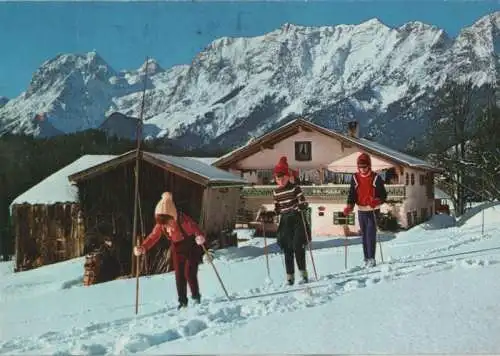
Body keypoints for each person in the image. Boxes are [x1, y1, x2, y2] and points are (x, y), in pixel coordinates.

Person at [133, 192, 207, 309]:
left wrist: (199, 236)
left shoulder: (183, 221)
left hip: (191, 247)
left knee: (189, 273)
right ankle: (182, 301)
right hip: (177, 249)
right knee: (179, 275)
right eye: (162, 223)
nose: (165, 226)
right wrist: (143, 247)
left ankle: (196, 296)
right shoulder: (161, 225)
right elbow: (153, 237)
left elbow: (195, 228)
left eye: (167, 222)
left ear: (173, 216)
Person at [343, 153, 387, 267]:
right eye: (360, 167)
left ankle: (371, 258)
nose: (362, 169)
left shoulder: (376, 178)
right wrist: (349, 206)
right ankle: (366, 258)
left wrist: (376, 201)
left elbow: (383, 195)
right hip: (361, 209)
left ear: (369, 166)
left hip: (373, 209)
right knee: (364, 235)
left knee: (370, 234)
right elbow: (352, 194)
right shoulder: (355, 178)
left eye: (365, 166)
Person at [272, 156, 310, 285]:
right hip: (285, 221)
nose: (280, 180)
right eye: (278, 178)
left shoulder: (295, 188)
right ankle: (290, 277)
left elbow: (303, 201)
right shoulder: (276, 192)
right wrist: (272, 213)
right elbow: (277, 207)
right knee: (287, 249)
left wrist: (302, 206)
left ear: (288, 176)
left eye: (282, 177)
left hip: (297, 219)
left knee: (297, 247)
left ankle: (303, 274)